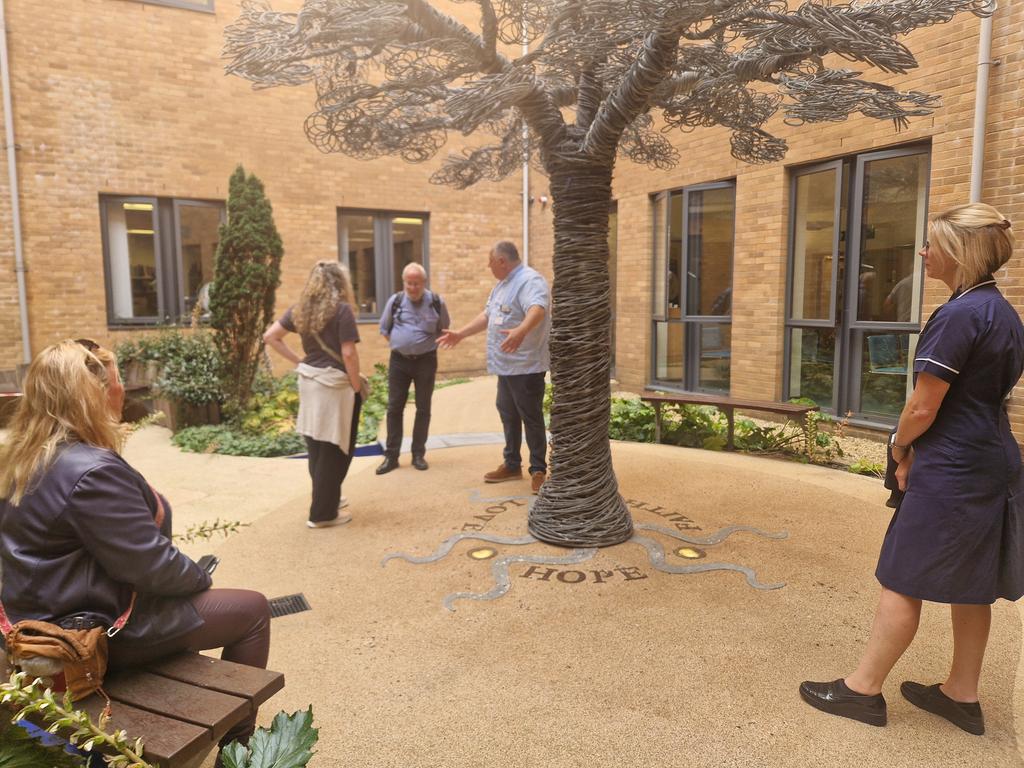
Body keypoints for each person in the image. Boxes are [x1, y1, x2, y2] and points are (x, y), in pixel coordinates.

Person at [800, 203, 1023, 735]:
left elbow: (923, 407)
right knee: (973, 584)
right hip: (992, 461)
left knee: (901, 577)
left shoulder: (959, 315)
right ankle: (961, 696)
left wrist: (899, 447)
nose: (923, 252)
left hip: (952, 468)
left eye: (931, 244)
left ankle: (862, 691)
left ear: (958, 252)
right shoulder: (1002, 312)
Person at [0, 340, 271, 763]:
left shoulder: (21, 458)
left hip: (33, 626)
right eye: (117, 381)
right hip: (86, 638)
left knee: (193, 606)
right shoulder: (91, 470)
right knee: (251, 610)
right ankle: (238, 754)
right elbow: (152, 566)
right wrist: (200, 576)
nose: (123, 390)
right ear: (95, 395)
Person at [439, 241, 550, 493]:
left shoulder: (529, 280)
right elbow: (488, 315)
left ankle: (538, 470)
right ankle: (512, 464)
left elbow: (538, 309)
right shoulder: (502, 285)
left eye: (490, 262)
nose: (488, 267)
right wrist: (461, 334)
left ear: (501, 261)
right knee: (508, 413)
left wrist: (521, 330)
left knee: (530, 417)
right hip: (507, 367)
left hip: (526, 366)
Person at [264, 260, 366, 528]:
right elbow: (348, 353)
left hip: (309, 383)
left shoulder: (300, 310)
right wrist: (356, 386)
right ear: (340, 283)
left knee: (317, 447)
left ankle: (329, 498)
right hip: (335, 387)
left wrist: (300, 361)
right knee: (336, 448)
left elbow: (270, 336)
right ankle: (322, 515)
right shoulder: (342, 310)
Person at [375, 262, 451, 475]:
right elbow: (385, 329)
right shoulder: (395, 301)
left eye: (416, 283)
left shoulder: (436, 302)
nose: (412, 288)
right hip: (399, 361)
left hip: (426, 361)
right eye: (409, 283)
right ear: (404, 283)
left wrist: (422, 346)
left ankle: (418, 454)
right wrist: (403, 345)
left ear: (424, 282)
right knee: (394, 408)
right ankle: (391, 456)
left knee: (423, 408)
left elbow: (444, 329)